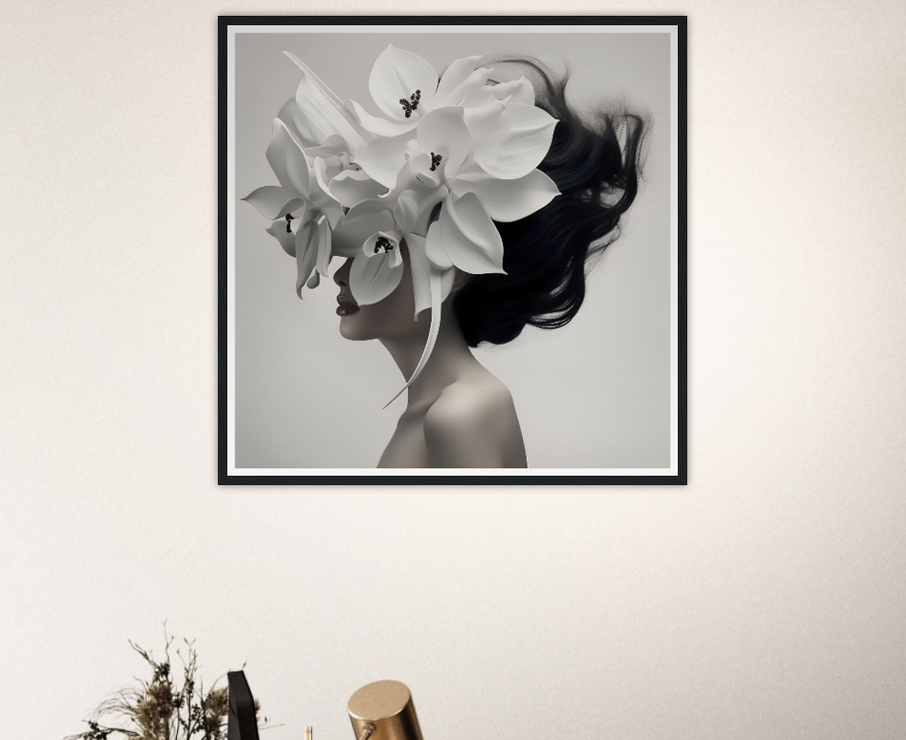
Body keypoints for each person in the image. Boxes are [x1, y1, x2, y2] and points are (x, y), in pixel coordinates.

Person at [245, 47, 645, 471]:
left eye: (376, 249)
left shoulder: (461, 414)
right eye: (345, 250)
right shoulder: (439, 408)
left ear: (452, 271)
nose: (340, 275)